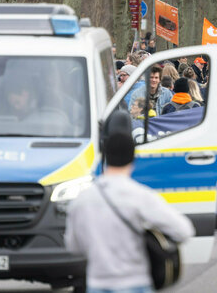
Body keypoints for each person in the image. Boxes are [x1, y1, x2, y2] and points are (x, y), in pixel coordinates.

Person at [65, 115, 194, 293]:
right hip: (135, 281)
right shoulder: (141, 196)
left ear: (105, 156)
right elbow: (184, 230)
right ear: (133, 158)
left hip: (97, 282)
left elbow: (73, 246)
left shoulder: (82, 199)